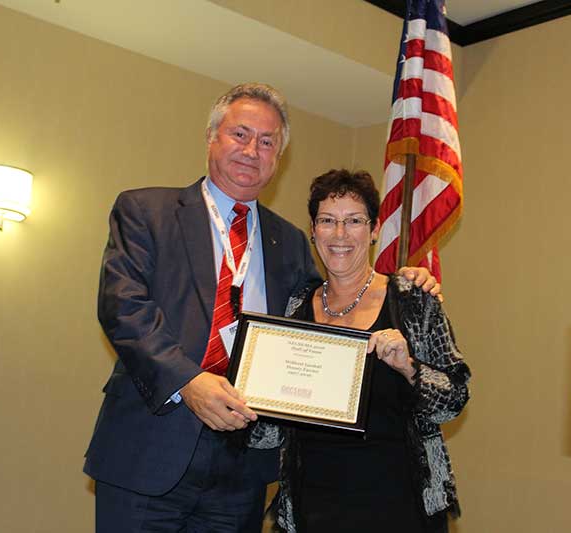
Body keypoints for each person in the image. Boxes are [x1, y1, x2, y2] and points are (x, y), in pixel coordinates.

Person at [83, 84, 441, 532]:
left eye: (267, 142)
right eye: (241, 134)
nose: (253, 150)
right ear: (212, 137)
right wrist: (189, 382)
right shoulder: (145, 210)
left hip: (243, 467)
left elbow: (328, 313)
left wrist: (402, 280)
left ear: (278, 158)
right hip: (149, 454)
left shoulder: (289, 242)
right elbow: (123, 308)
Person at [249, 169, 471, 533]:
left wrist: (408, 368)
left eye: (353, 221)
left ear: (373, 231)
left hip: (398, 506)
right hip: (311, 506)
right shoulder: (296, 306)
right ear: (313, 230)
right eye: (327, 221)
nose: (339, 234)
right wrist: (250, 394)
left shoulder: (412, 298)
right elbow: (271, 432)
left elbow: (455, 398)